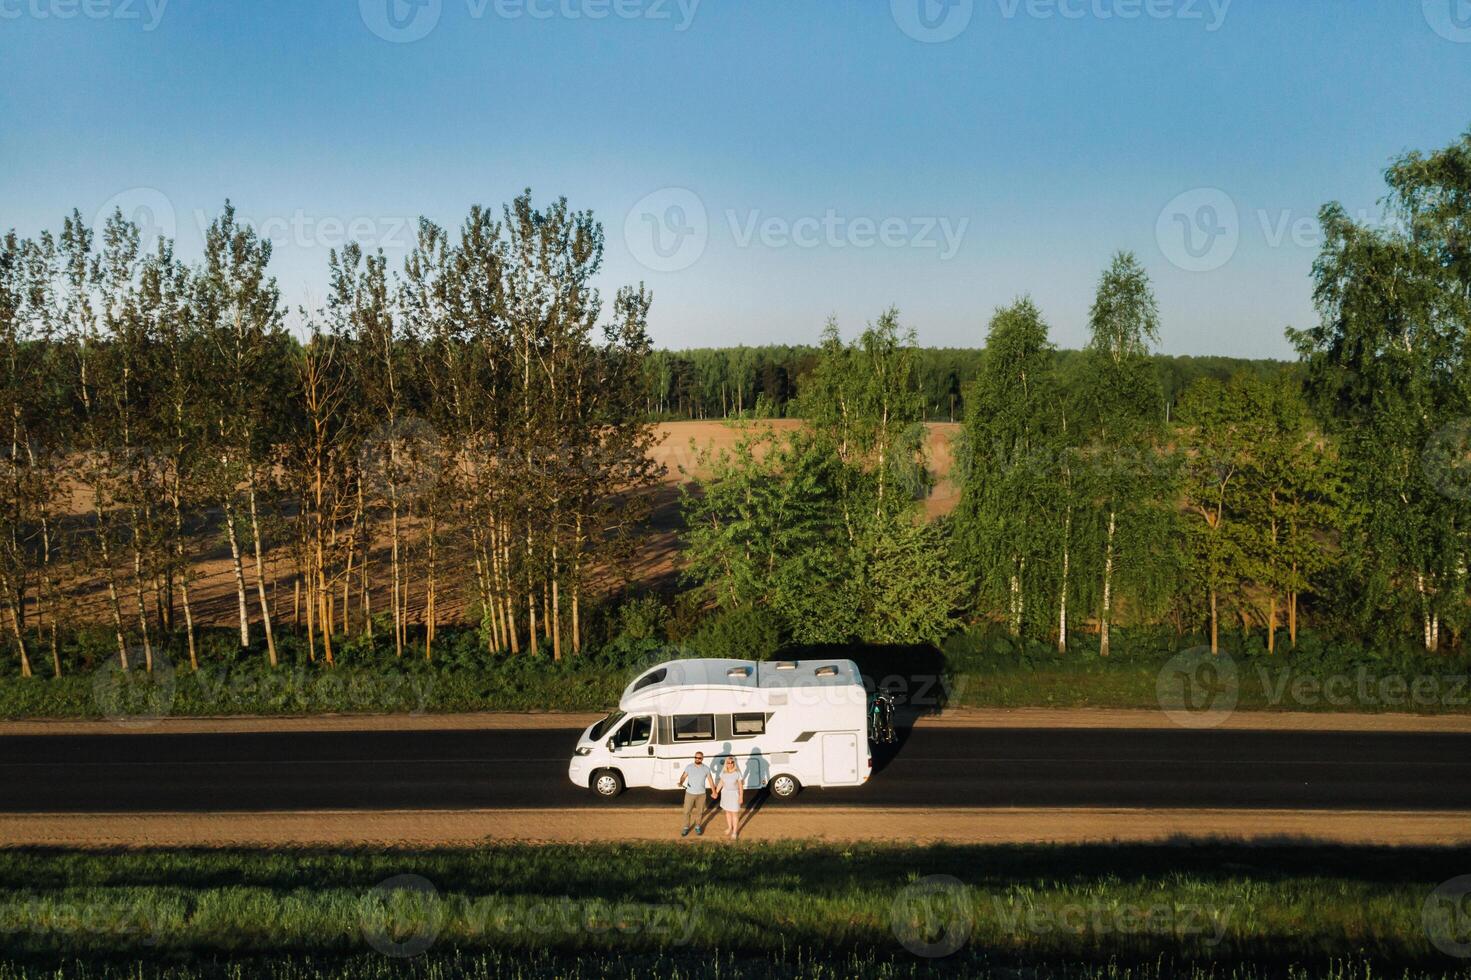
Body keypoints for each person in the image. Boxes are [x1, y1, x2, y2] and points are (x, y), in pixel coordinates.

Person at [677, 751, 715, 837]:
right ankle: (686, 827)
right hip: (690, 793)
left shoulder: (706, 769)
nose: (697, 759)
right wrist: (681, 782)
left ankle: (697, 826)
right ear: (694, 758)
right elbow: (683, 776)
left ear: (702, 759)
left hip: (701, 794)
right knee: (686, 811)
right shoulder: (689, 767)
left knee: (700, 812)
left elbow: (711, 781)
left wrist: (714, 792)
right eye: (696, 757)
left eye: (699, 758)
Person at [716, 755, 745, 839]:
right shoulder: (723, 773)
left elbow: (740, 786)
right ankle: (729, 828)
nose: (730, 764)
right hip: (725, 794)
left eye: (732, 762)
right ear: (726, 764)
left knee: (734, 814)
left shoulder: (737, 773)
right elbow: (721, 783)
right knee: (728, 812)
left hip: (734, 795)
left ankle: (735, 832)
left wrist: (741, 797)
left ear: (734, 763)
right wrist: (716, 792)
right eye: (728, 762)